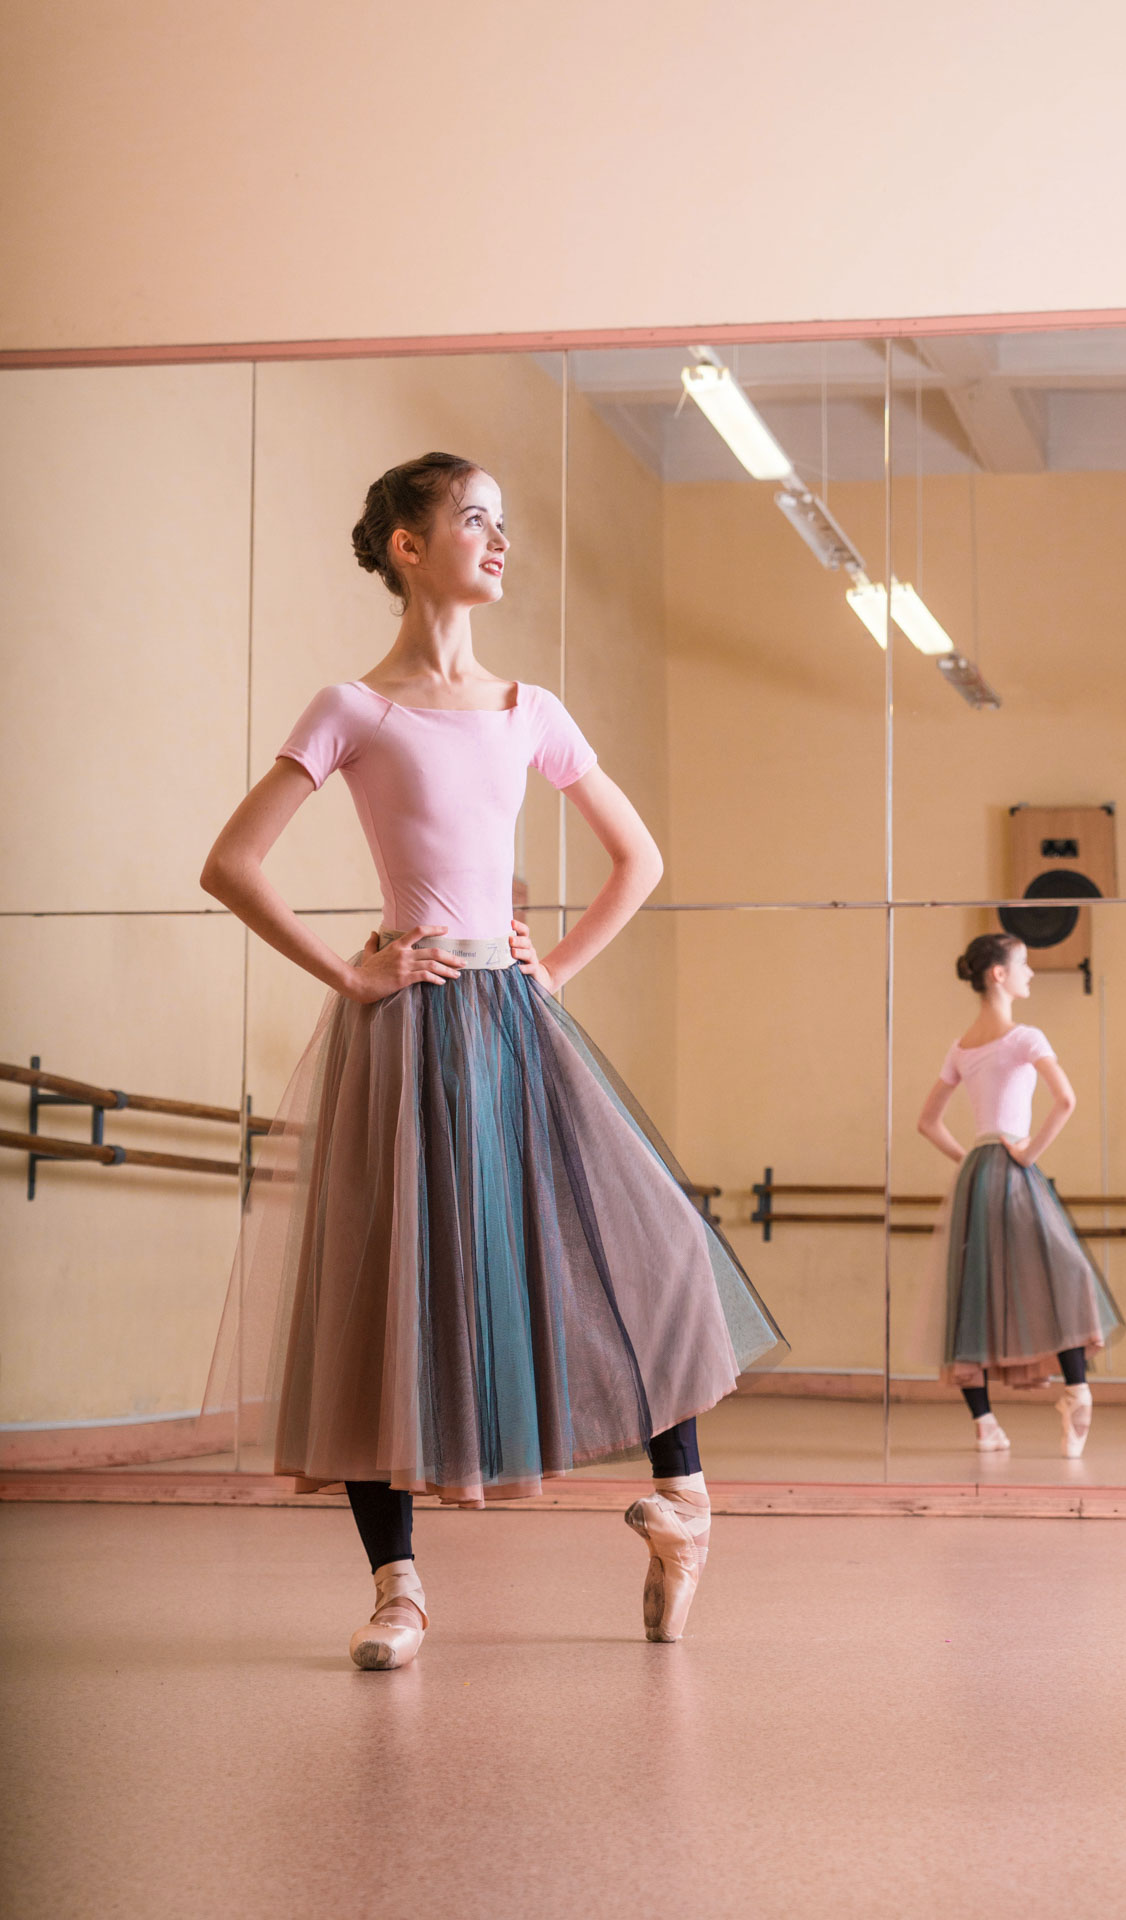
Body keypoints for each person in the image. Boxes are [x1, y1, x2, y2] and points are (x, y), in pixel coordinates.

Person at [200, 451, 785, 1667]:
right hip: (405, 1024)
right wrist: (353, 971)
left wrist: (552, 970)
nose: (499, 539)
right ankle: (398, 1591)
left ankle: (684, 1499)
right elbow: (233, 862)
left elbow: (642, 861)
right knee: (384, 1295)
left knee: (651, 1243)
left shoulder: (533, 710)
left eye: (502, 522)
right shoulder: (352, 709)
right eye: (475, 519)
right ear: (409, 547)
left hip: (512, 1018)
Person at [915, 931, 1124, 1458]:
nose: (1032, 972)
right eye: (1024, 964)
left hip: (980, 1172)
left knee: (974, 1292)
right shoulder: (1025, 1037)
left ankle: (987, 1423)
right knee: (1064, 1271)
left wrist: (973, 1158)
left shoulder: (962, 1046)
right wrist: (1025, 1155)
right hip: (1011, 1169)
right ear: (999, 975)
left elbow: (928, 1123)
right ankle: (1076, 1393)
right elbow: (1067, 1099)